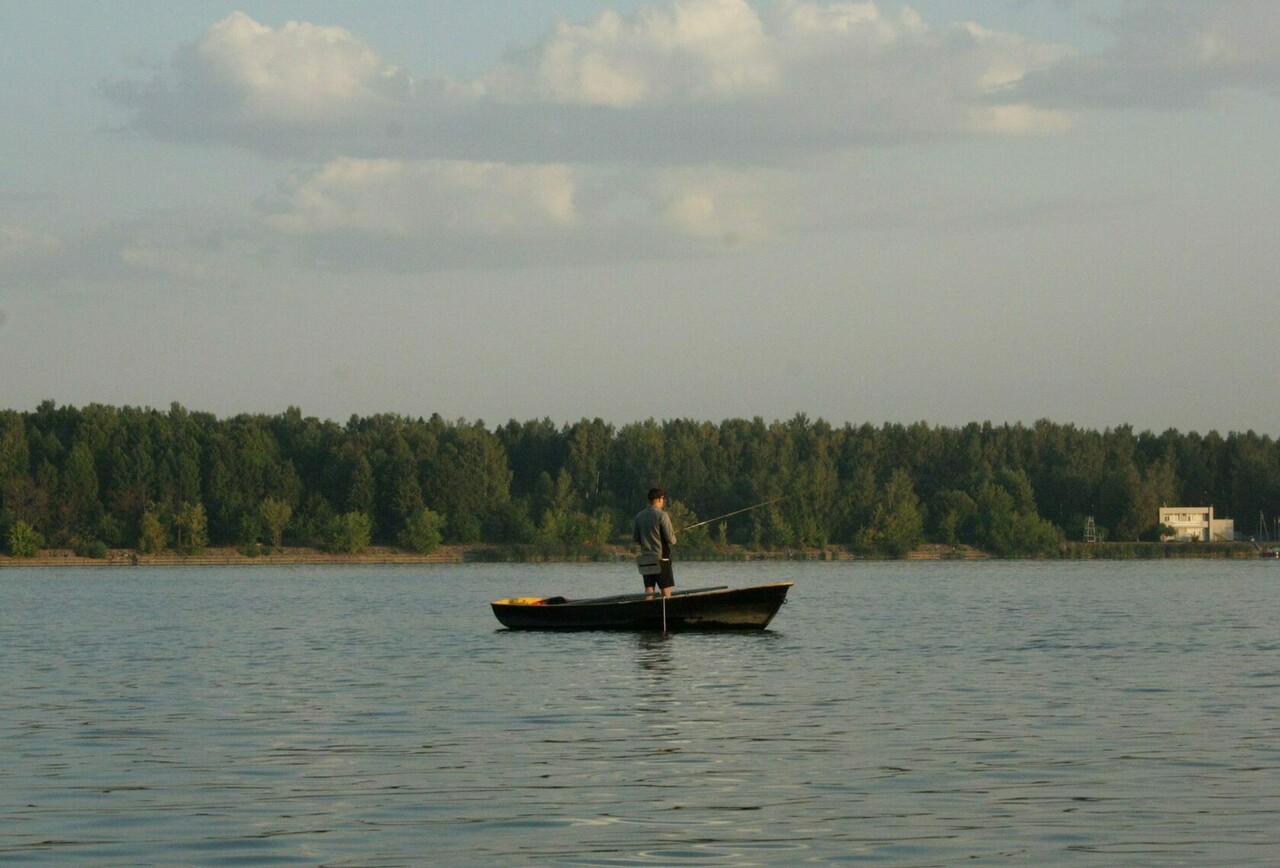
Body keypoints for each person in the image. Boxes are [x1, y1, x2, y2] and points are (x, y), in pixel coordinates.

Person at [633, 487, 676, 597]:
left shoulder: (639, 516)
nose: (664, 501)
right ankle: (668, 613)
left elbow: (636, 539)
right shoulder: (662, 515)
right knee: (666, 590)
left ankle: (647, 612)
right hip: (661, 558)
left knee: (649, 589)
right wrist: (673, 536)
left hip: (645, 559)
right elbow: (671, 540)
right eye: (663, 498)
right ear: (659, 499)